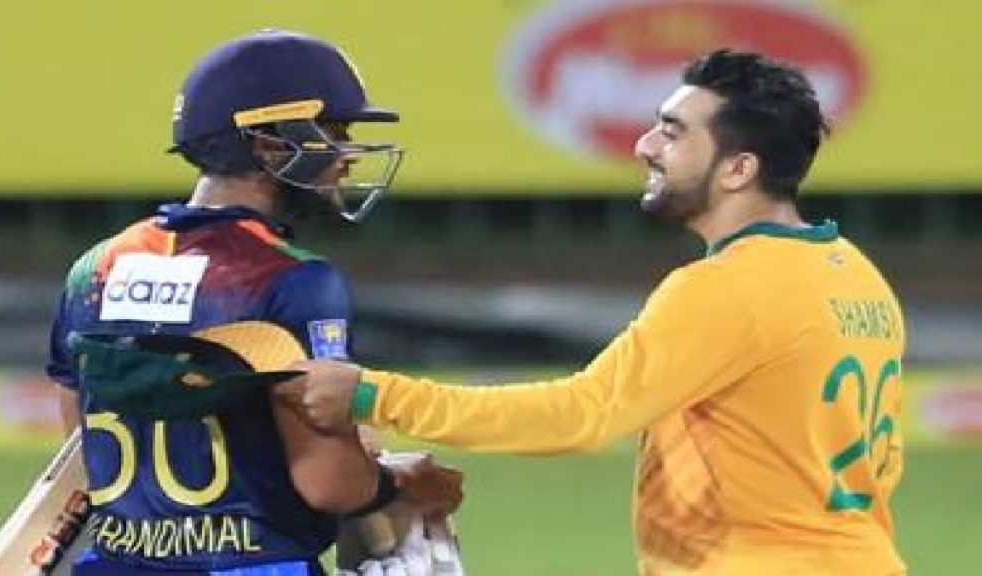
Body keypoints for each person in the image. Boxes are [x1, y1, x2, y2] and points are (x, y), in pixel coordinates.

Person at [281, 49, 907, 575]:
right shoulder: (856, 275)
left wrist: (374, 396)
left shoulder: (728, 287)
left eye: (672, 132)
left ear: (740, 168)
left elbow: (578, 415)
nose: (644, 145)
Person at [46, 29, 461, 576]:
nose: (346, 156)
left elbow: (80, 445)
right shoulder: (292, 278)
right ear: (268, 145)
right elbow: (327, 482)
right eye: (333, 133)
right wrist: (399, 483)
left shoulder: (96, 267)